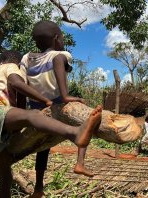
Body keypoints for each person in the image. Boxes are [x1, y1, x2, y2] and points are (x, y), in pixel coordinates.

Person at [0, 50, 102, 198]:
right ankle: (74, 133)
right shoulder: (10, 66)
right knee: (34, 115)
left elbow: (18, 104)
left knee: (5, 173)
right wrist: (45, 100)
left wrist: (19, 124)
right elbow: (16, 83)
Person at [20, 20, 89, 197]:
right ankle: (80, 163)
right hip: (57, 103)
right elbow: (58, 61)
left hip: (36, 108)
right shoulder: (61, 54)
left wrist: (22, 110)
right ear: (57, 38)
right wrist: (66, 96)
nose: (64, 40)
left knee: (43, 150)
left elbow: (22, 85)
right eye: (63, 37)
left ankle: (38, 188)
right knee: (87, 123)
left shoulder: (26, 58)